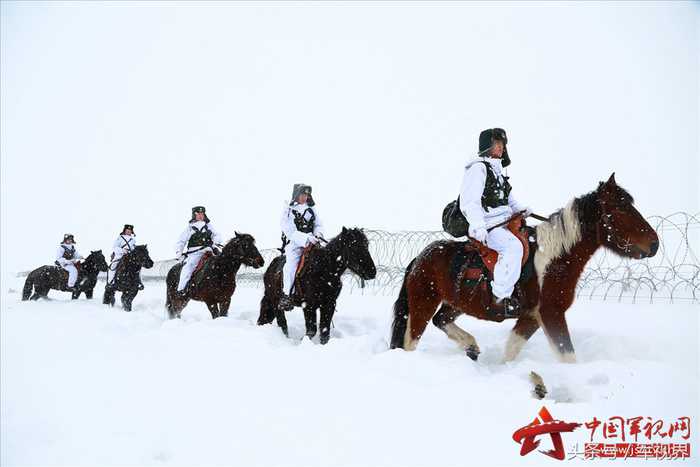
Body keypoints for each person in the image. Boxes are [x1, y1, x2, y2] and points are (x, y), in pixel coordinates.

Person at [459, 128, 531, 318]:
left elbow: (510, 201)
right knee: (513, 248)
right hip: (489, 226)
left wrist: (522, 210)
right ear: (486, 146)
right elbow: (469, 202)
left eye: (502, 144)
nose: (500, 147)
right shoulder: (478, 169)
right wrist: (478, 226)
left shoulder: (498, 172)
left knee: (532, 240)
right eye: (496, 143)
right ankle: (500, 298)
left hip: (505, 223)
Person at [278, 183, 325, 311]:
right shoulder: (288, 210)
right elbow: (289, 231)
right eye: (302, 194)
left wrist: (318, 235)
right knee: (291, 266)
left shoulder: (312, 208)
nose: (305, 197)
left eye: (307, 194)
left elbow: (318, 224)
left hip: (314, 241)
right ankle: (287, 295)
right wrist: (306, 239)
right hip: (296, 244)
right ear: (296, 195)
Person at [174, 206, 223, 297]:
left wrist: (215, 243)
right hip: (195, 253)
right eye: (198, 214)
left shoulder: (209, 226)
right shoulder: (189, 228)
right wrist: (178, 252)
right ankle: (181, 289)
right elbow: (181, 241)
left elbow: (217, 235)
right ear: (194, 215)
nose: (200, 216)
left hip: (209, 250)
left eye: (202, 214)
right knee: (189, 267)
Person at [106, 224, 141, 291]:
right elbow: (115, 247)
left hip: (130, 256)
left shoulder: (133, 239)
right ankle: (111, 282)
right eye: (127, 230)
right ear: (125, 230)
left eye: (130, 231)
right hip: (120, 255)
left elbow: (133, 248)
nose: (128, 232)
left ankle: (139, 282)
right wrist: (122, 250)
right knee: (113, 266)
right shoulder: (120, 238)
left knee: (138, 267)